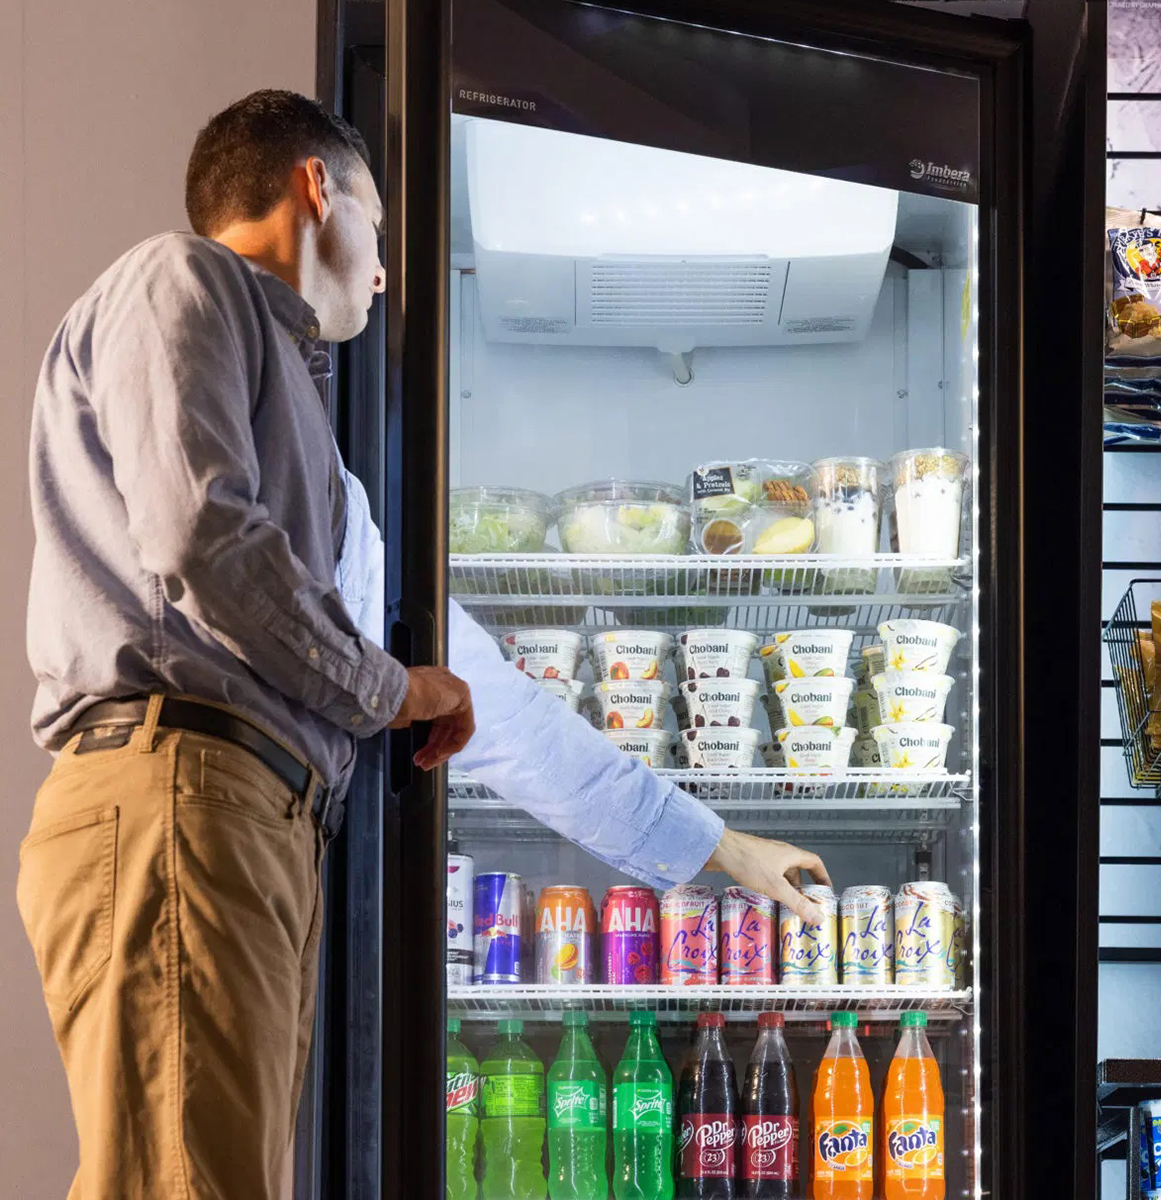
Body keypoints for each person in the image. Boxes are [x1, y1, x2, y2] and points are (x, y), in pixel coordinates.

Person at [18, 89, 826, 1200]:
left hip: (243, 809)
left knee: (206, 1175)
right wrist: (386, 687)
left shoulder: (330, 484)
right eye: (382, 229)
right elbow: (203, 534)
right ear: (315, 190)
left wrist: (719, 847)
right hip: (181, 785)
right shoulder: (183, 279)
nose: (388, 270)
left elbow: (500, 711)